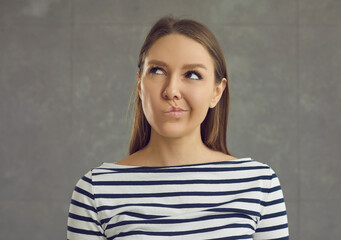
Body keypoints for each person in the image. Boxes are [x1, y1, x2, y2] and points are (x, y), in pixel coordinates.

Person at [67, 15, 289, 240]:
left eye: (192, 75)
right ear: (140, 84)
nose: (171, 90)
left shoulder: (259, 183)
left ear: (216, 92)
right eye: (157, 71)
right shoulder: (95, 191)